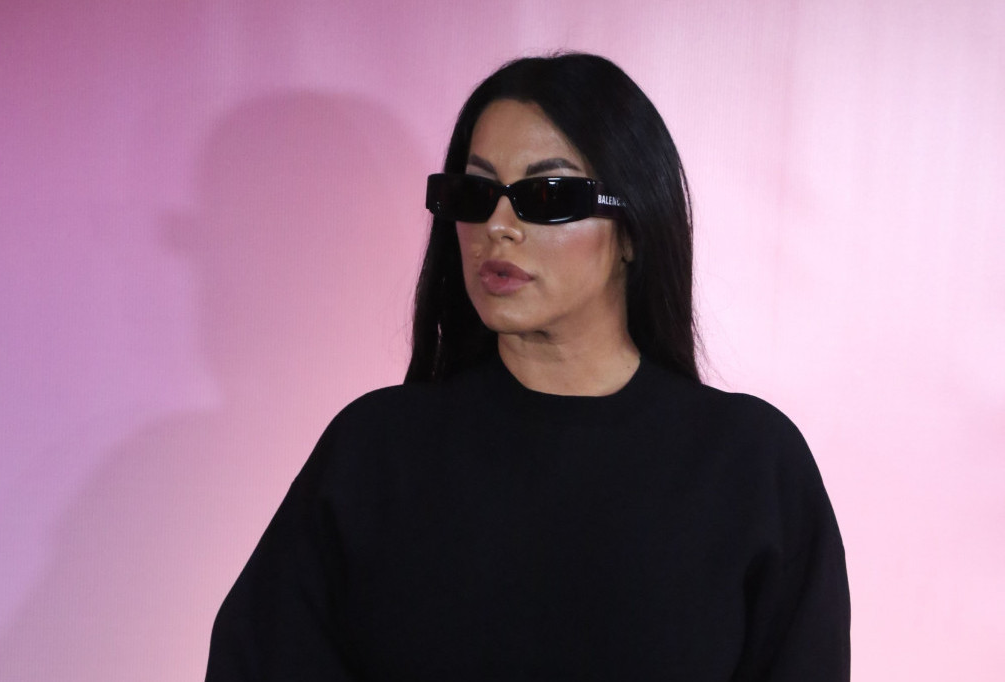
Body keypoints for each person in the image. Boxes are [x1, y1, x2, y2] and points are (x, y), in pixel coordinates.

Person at [206, 53, 850, 681]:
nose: (499, 226)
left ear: (632, 229)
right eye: (476, 193)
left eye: (546, 194)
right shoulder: (374, 451)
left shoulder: (750, 464)